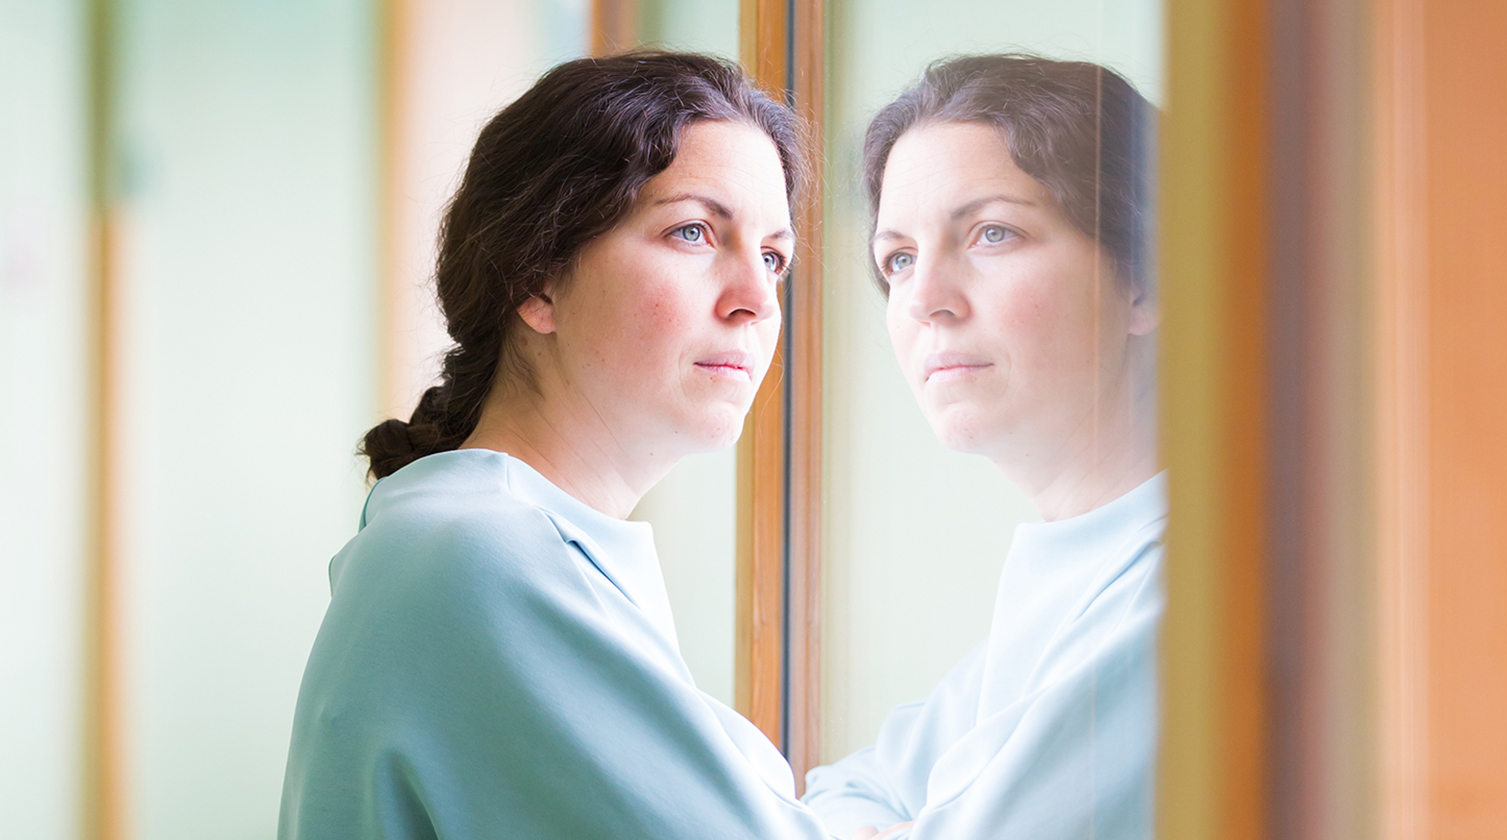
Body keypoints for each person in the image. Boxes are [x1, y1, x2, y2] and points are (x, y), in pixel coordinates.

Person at [278, 52, 834, 840]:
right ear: (536, 277)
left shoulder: (491, 539)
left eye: (773, 256)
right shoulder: (477, 555)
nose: (756, 300)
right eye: (694, 232)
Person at [802, 56, 1163, 840]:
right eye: (897, 258)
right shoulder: (1078, 567)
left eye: (992, 233)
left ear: (1145, 281)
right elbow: (843, 789)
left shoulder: (1191, 592)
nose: (925, 298)